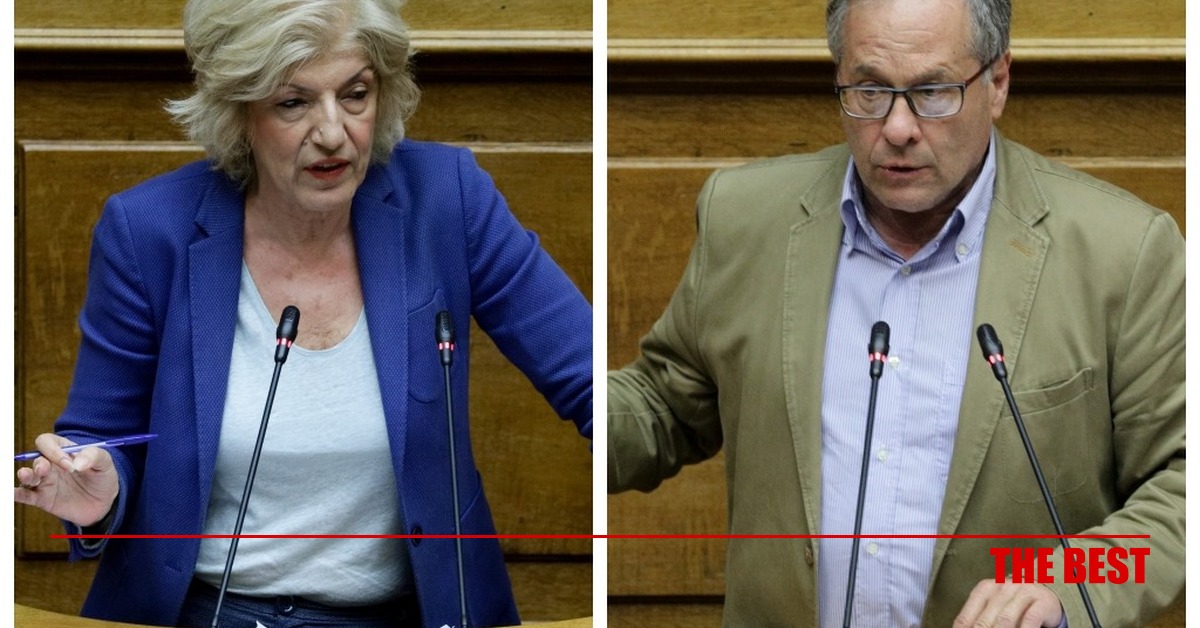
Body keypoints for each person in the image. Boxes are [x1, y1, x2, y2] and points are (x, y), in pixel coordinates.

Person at [13, 0, 592, 626]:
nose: (333, 132)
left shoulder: (446, 200)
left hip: (408, 615)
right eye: (294, 103)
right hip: (206, 612)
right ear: (239, 112)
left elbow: (588, 377)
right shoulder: (149, 231)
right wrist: (99, 490)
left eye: (356, 95)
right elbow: (101, 442)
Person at [607, 0, 1183, 625]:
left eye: (933, 92)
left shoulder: (1122, 252)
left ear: (997, 83)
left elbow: (1183, 492)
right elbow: (664, 409)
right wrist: (552, 345)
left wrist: (1066, 588)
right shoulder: (745, 218)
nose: (899, 127)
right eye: (870, 91)